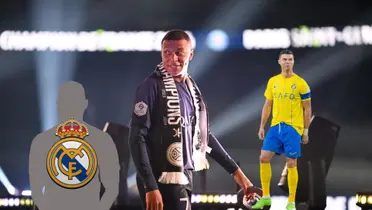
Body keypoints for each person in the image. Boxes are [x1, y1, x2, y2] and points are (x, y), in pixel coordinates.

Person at [129, 29, 255, 210]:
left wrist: (238, 174)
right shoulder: (150, 86)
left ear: (191, 55)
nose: (173, 59)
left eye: (179, 52)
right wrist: (150, 186)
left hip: (184, 176)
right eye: (167, 53)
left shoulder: (191, 90)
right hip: (160, 180)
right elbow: (136, 137)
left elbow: (204, 137)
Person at [29, 81, 120, 210]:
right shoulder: (102, 140)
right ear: (85, 104)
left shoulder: (42, 141)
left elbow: (37, 192)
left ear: (57, 105)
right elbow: (112, 189)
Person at [252, 50, 312, 210]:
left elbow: (307, 109)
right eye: (284, 59)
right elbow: (268, 104)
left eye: (290, 59)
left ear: (293, 62)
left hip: (293, 128)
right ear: (279, 61)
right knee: (263, 157)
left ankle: (291, 202)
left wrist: (305, 131)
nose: (287, 62)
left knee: (291, 163)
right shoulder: (273, 82)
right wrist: (262, 126)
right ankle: (266, 197)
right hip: (275, 126)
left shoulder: (301, 83)